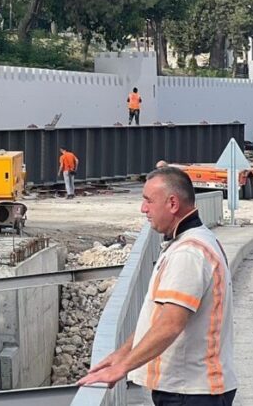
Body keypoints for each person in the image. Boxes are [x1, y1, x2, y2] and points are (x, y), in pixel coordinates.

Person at [78, 167, 236, 405]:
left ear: (172, 203)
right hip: (191, 390)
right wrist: (120, 354)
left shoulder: (189, 253)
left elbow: (170, 324)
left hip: (191, 393)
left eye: (148, 201)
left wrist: (122, 368)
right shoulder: (192, 241)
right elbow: (156, 319)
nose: (143, 209)